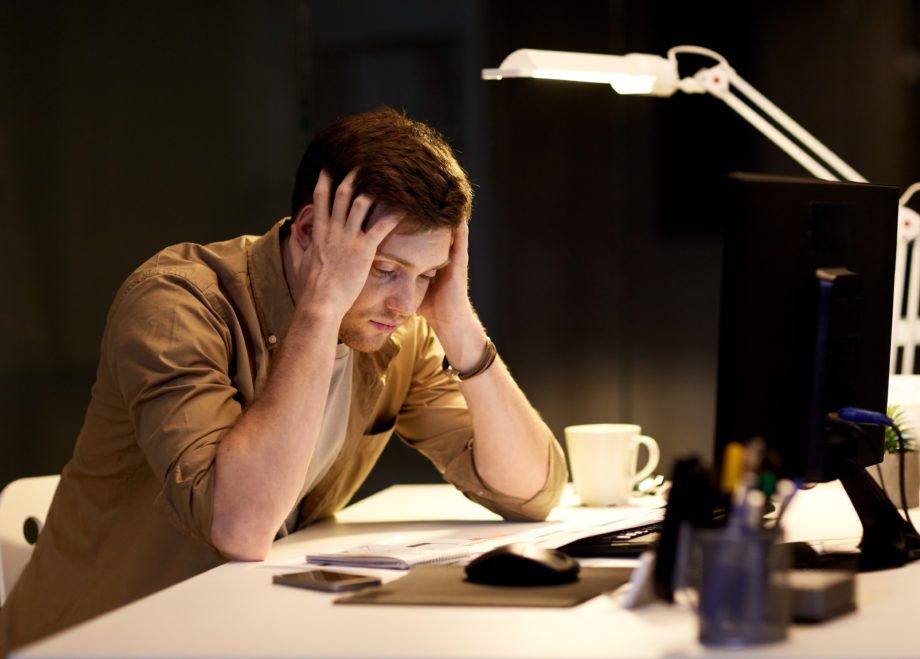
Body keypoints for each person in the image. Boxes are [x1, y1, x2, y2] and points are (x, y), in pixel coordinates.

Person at [0, 108, 568, 653]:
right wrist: (321, 308)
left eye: (425, 276)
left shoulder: (397, 328)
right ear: (308, 232)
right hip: (100, 639)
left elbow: (529, 491)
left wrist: (458, 321)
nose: (405, 302)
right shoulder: (176, 303)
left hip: (239, 627)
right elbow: (242, 526)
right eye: (384, 269)